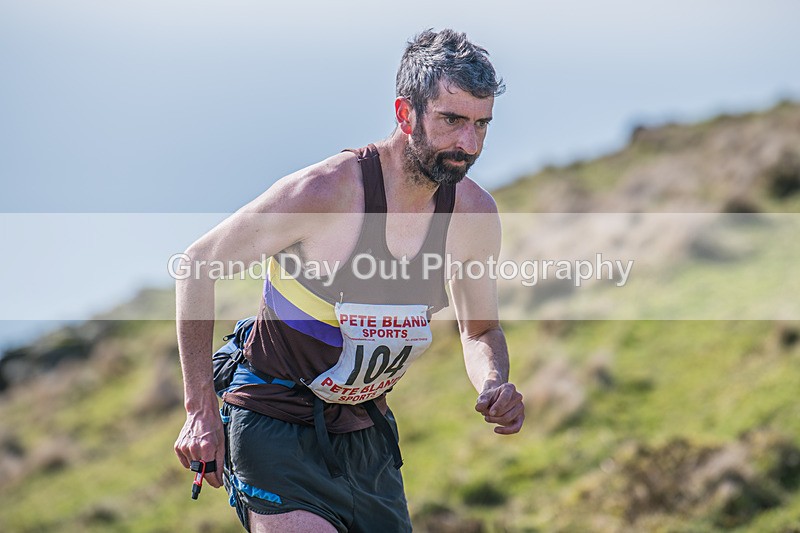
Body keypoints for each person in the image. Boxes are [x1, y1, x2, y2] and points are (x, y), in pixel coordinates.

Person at [174, 28, 525, 533]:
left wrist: (494, 383)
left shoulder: (473, 215)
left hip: (366, 435)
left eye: (481, 125)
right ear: (406, 115)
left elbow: (480, 331)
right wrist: (200, 410)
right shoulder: (326, 192)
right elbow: (197, 264)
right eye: (451, 121)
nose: (467, 144)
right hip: (274, 419)